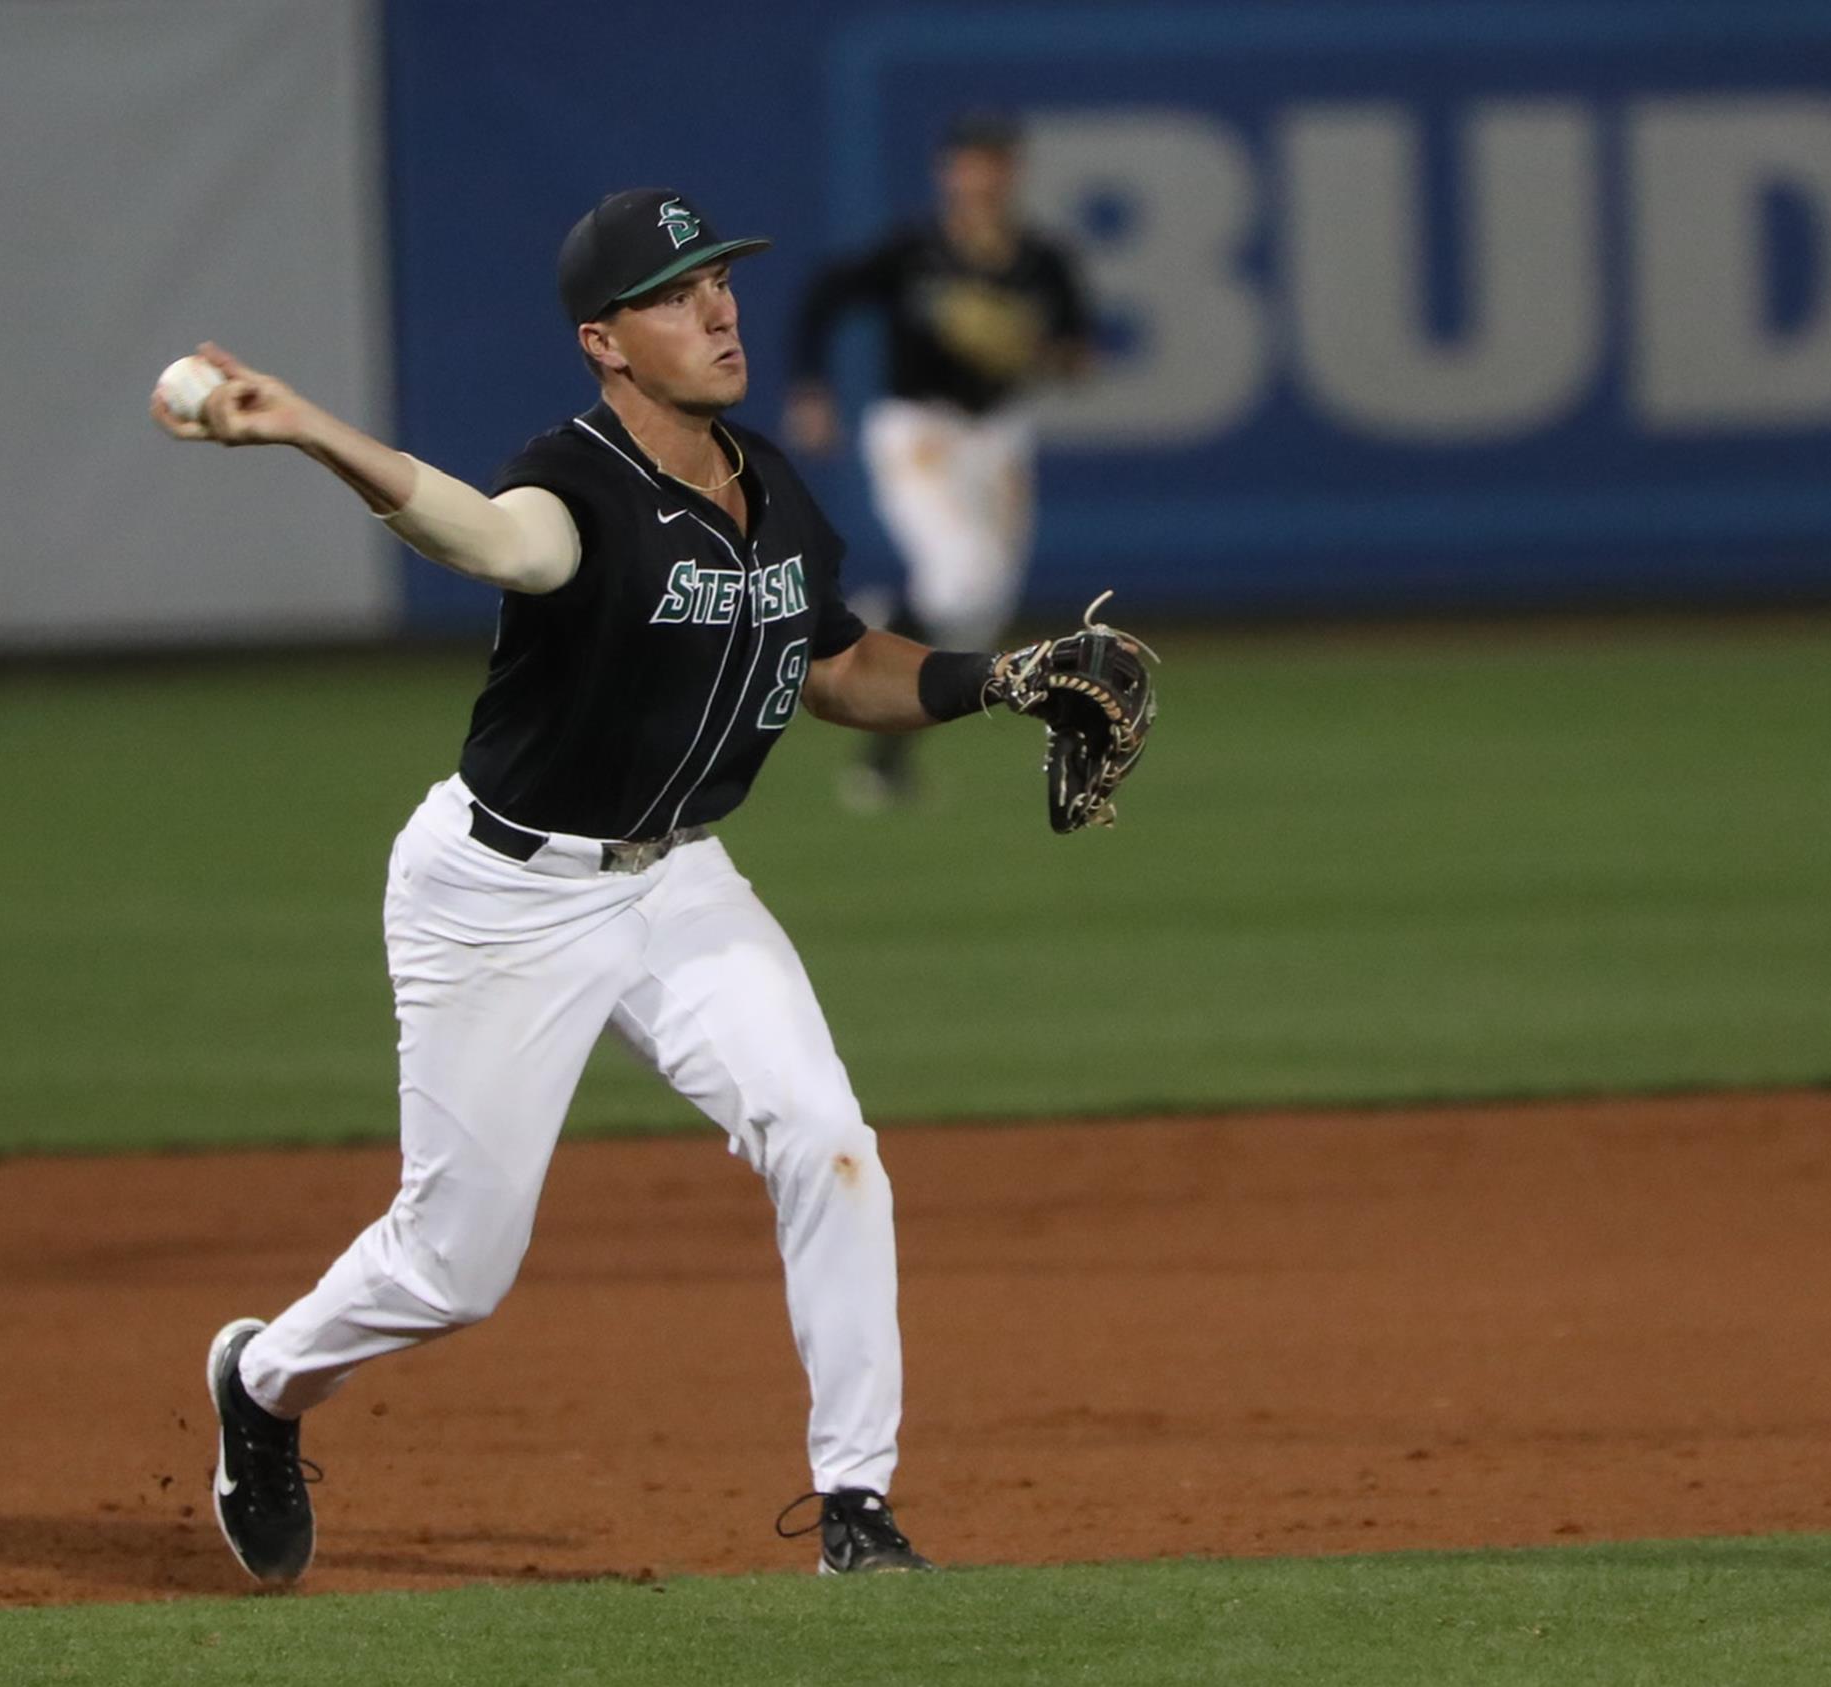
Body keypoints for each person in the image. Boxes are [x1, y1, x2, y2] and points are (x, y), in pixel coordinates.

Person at [154, 187, 1114, 1582]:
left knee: (830, 1142)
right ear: (605, 340)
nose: (718, 307)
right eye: (678, 294)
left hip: (680, 882)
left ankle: (857, 1504)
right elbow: (494, 542)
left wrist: (1002, 679)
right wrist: (310, 430)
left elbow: (837, 662)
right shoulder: (577, 481)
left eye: (720, 280)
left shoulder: (769, 484)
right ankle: (265, 1380)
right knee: (453, 1266)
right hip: (502, 896)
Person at [787, 111, 1095, 810]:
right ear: (949, 173)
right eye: (973, 163)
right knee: (959, 577)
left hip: (1001, 438)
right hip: (921, 430)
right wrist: (812, 389)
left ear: (1014, 173)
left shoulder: (1042, 260)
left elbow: (1078, 355)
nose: (985, 177)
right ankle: (831, 634)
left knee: (980, 610)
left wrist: (1025, 350)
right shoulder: (914, 252)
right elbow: (825, 296)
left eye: (998, 163)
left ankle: (881, 757)